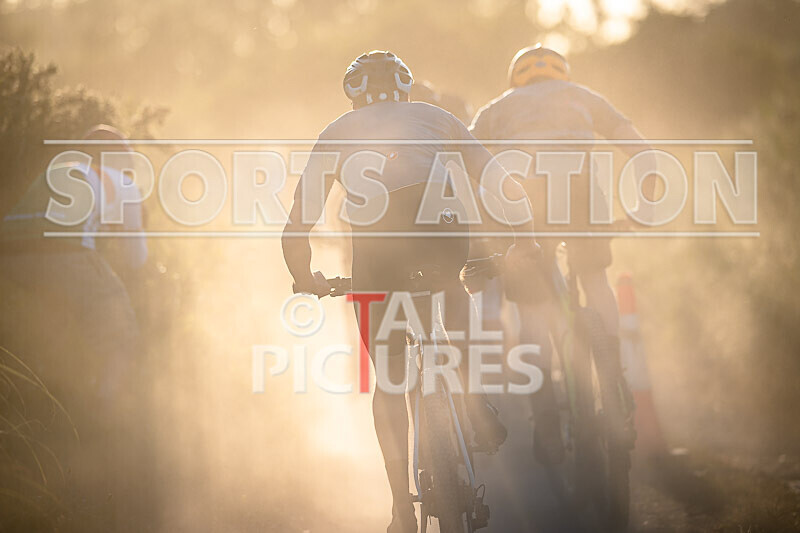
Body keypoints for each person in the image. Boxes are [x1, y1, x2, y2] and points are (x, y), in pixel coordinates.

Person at [281, 50, 539, 533]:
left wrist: (305, 276)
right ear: (405, 88)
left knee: (390, 379)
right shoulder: (436, 116)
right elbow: (500, 181)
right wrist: (524, 238)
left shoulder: (336, 131)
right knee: (454, 284)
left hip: (377, 251)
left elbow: (298, 223)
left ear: (352, 94)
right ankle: (471, 400)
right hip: (440, 232)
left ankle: (401, 507)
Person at [470, 45, 653, 463]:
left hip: (524, 200)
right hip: (582, 192)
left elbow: (465, 161)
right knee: (594, 280)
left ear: (516, 77)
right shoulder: (583, 96)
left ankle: (546, 415)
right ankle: (613, 377)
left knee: (532, 309)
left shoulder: (498, 106)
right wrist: (644, 206)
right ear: (562, 73)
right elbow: (640, 150)